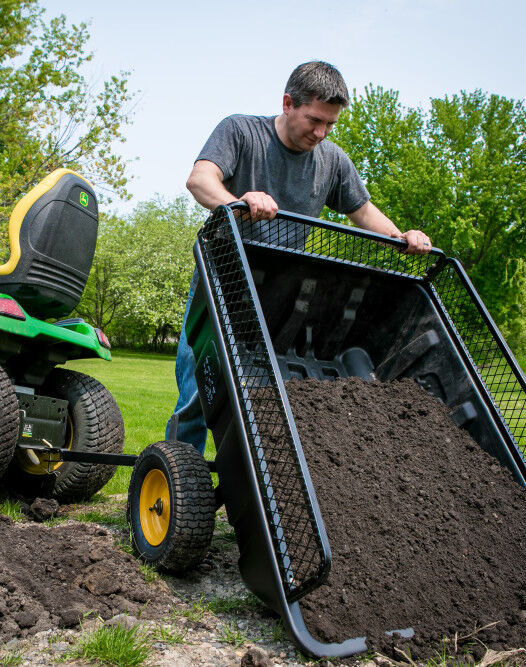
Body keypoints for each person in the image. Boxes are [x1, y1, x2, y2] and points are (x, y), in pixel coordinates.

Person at [169, 61, 432, 454]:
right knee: (198, 392)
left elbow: (362, 212)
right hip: (220, 285)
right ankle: (178, 483)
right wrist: (238, 202)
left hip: (281, 298)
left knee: (265, 401)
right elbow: (200, 179)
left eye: (330, 125)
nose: (321, 132)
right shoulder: (241, 131)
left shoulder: (332, 160)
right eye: (314, 120)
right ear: (288, 103)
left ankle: (250, 486)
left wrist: (401, 237)